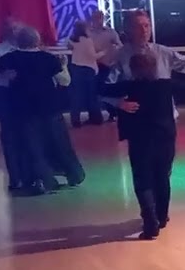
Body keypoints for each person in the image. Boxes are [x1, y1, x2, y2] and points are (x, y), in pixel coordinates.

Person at [0, 26, 85, 195]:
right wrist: (64, 65)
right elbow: (64, 81)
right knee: (59, 143)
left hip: (24, 110)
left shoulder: (10, 58)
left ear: (18, 41)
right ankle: (74, 174)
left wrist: (5, 76)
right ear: (37, 41)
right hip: (50, 108)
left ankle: (44, 180)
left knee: (34, 146)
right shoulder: (48, 58)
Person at [104, 52, 178, 240]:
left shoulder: (128, 86)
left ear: (132, 69)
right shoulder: (166, 85)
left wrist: (119, 103)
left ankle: (150, 223)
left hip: (140, 139)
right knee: (162, 177)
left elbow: (99, 88)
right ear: (154, 67)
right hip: (165, 137)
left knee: (142, 180)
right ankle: (161, 217)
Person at [0, 26, 27, 191]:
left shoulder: (25, 50)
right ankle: (16, 178)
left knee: (27, 136)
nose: (18, 32)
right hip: (6, 95)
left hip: (24, 97)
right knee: (10, 136)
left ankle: (31, 174)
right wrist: (5, 74)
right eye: (15, 29)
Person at [66, 20, 106, 127]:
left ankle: (75, 120)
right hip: (88, 70)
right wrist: (104, 52)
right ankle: (96, 118)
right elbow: (93, 56)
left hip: (76, 68)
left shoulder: (71, 39)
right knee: (91, 95)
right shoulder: (87, 41)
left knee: (77, 96)